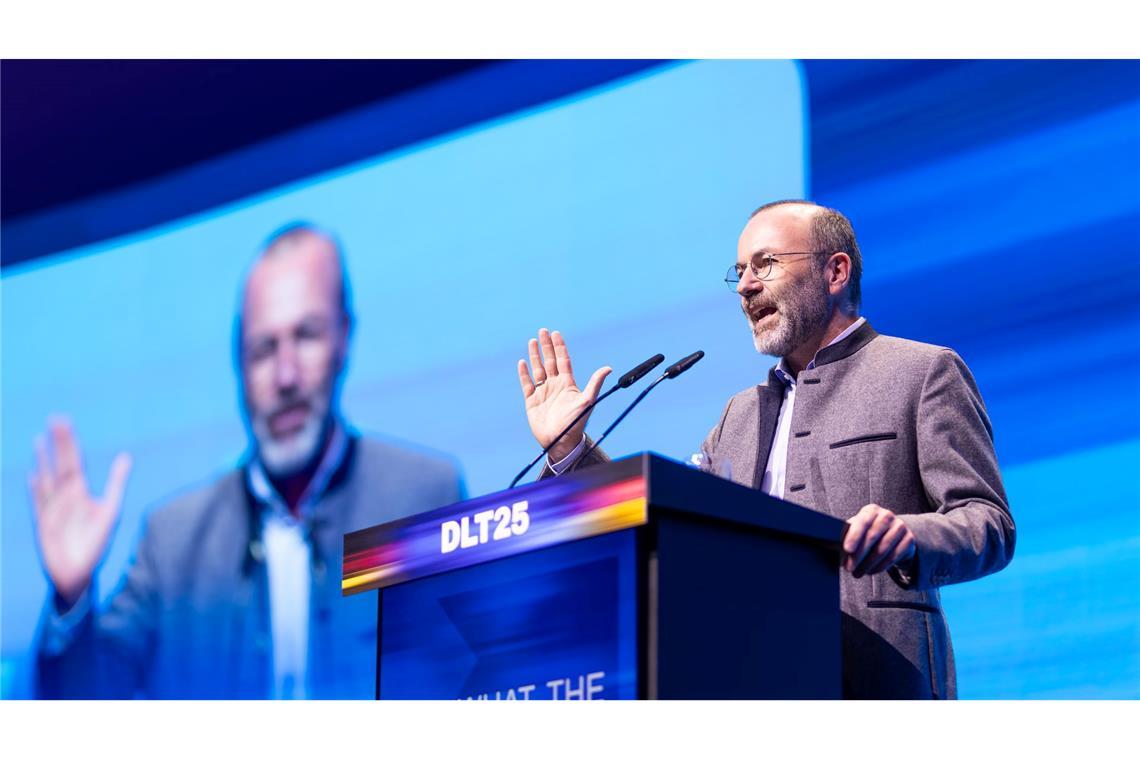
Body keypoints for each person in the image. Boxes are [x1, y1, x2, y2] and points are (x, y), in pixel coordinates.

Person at [515, 200, 1015, 699]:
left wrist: (909, 535)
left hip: (876, 685)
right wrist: (571, 449)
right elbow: (670, 529)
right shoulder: (740, 414)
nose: (747, 286)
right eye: (739, 272)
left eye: (765, 264)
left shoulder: (921, 371)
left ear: (835, 270)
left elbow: (988, 523)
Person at [30, 223, 464, 698]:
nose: (285, 376)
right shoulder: (171, 544)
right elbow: (82, 709)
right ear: (238, 364)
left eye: (307, 336)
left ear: (344, 339)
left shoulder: (424, 498)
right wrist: (71, 602)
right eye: (263, 350)